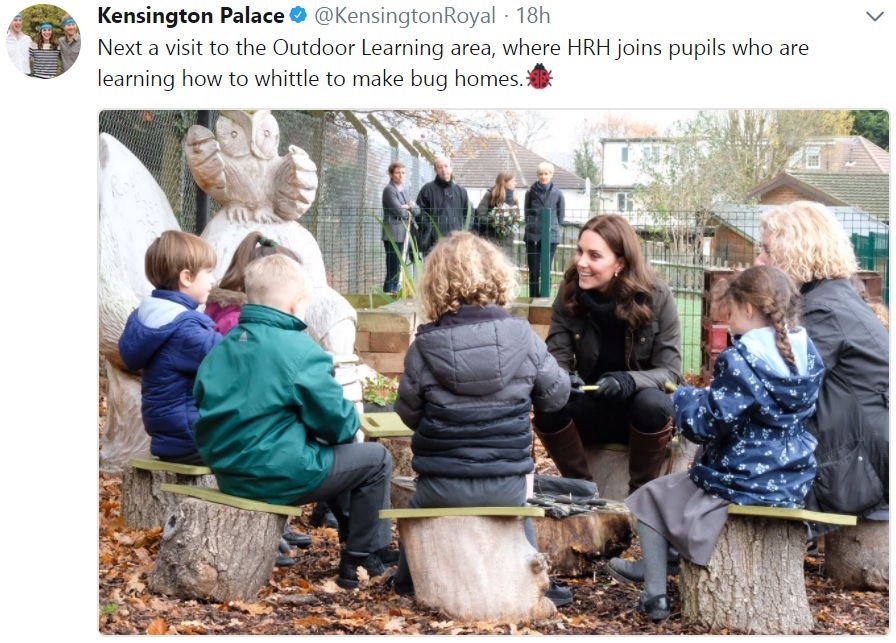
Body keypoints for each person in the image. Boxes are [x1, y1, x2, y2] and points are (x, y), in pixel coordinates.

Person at [606, 265, 824, 621]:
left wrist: (683, 400)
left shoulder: (741, 359)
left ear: (749, 309)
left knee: (648, 497)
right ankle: (668, 560)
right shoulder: (806, 354)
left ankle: (655, 595)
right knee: (673, 494)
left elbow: (707, 425)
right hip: (792, 477)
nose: (728, 319)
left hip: (742, 477)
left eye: (731, 311)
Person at [390, 231, 574, 607]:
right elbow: (556, 397)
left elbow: (408, 414)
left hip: (440, 486)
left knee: (413, 513)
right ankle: (540, 582)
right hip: (506, 484)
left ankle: (406, 580)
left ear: (435, 287)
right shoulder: (523, 337)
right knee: (519, 507)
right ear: (497, 278)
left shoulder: (424, 347)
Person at [193, 254, 396, 589]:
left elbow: (202, 396)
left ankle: (366, 549)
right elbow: (340, 425)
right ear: (294, 305)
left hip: (229, 471)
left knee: (336, 458)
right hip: (275, 473)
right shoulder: (300, 350)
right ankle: (361, 560)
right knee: (376, 461)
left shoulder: (224, 344)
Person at [755, 201, 888, 521]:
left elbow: (779, 385)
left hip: (860, 466)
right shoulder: (832, 296)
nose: (759, 260)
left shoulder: (823, 309)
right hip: (860, 452)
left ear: (793, 253)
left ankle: (681, 542)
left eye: (767, 251)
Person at [533, 214, 683, 491]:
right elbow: (556, 361)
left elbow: (671, 373)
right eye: (580, 251)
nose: (581, 262)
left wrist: (629, 381)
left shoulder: (657, 296)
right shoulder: (569, 293)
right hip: (593, 406)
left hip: (643, 415)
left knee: (651, 402)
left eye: (594, 255)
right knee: (550, 403)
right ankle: (582, 492)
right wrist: (565, 379)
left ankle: (640, 497)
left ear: (621, 263)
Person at [206, 231, 340, 538]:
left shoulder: (238, 326)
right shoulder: (243, 328)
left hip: (229, 452)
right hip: (251, 455)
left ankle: (289, 523)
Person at [118, 231, 222, 465]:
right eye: (208, 272)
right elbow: (230, 358)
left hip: (172, 435)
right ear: (186, 277)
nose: (213, 280)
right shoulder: (185, 329)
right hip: (193, 437)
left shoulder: (150, 316)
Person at [524, 162, 565, 297]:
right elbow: (526, 212)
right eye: (541, 174)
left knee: (546, 271)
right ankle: (533, 298)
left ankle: (545, 300)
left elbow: (560, 216)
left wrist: (551, 227)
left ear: (551, 175)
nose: (543, 177)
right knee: (534, 271)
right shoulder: (530, 192)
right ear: (537, 175)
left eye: (546, 174)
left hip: (551, 236)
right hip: (532, 236)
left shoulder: (558, 194)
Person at [414, 157, 470, 255]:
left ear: (451, 168)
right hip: (434, 243)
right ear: (435, 170)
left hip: (456, 242)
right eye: (439, 167)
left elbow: (469, 214)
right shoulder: (427, 190)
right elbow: (419, 212)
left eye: (446, 166)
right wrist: (430, 229)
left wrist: (463, 231)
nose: (443, 170)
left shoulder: (461, 191)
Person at [381, 161, 418, 294]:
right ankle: (389, 292)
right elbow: (400, 211)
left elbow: (417, 210)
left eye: (403, 172)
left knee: (400, 265)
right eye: (397, 172)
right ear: (391, 174)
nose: (401, 175)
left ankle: (395, 291)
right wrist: (408, 207)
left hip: (405, 234)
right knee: (393, 266)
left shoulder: (404, 190)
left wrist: (410, 207)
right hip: (393, 234)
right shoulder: (389, 190)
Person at [473, 171, 521, 246]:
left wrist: (510, 220)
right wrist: (496, 222)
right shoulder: (490, 195)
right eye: (513, 181)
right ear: (504, 182)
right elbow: (480, 215)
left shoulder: (514, 196)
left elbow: (517, 216)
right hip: (490, 239)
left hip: (507, 240)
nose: (515, 183)